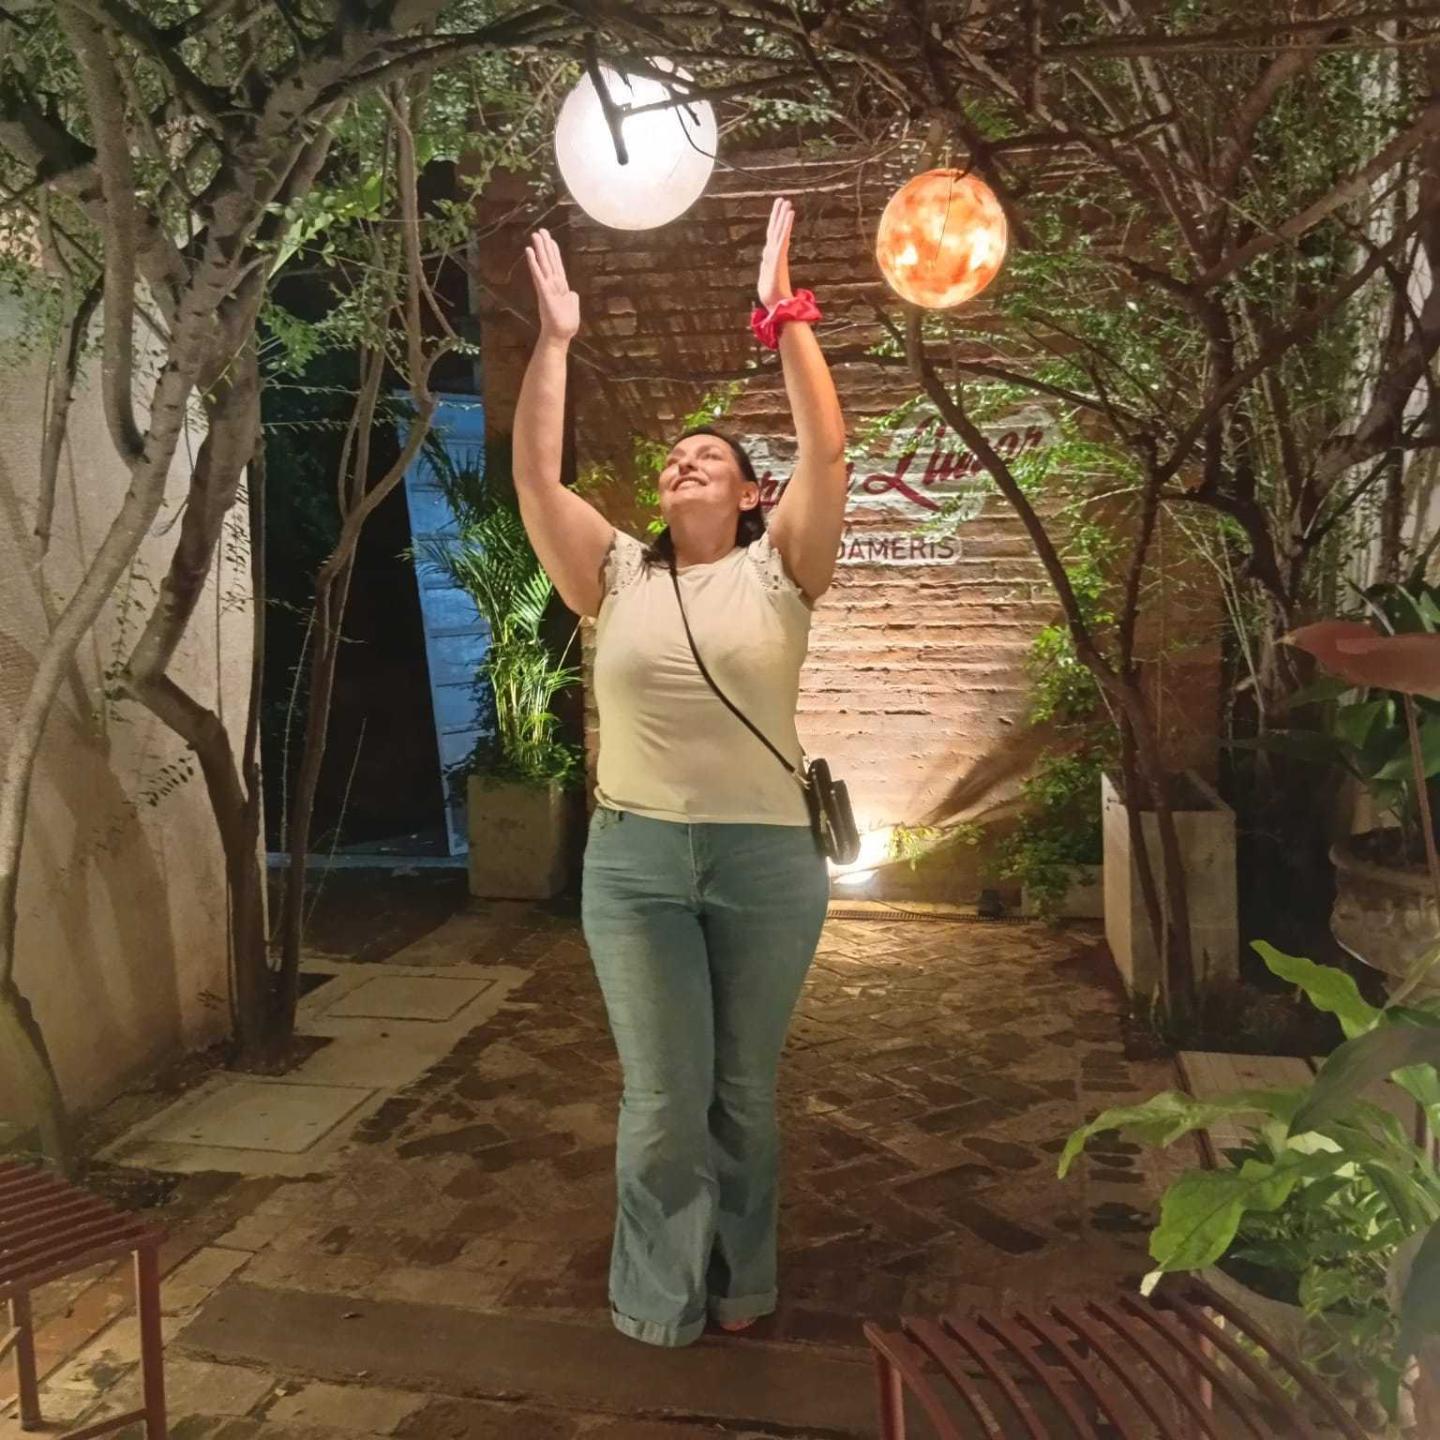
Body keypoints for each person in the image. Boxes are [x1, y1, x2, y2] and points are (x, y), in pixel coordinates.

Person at [513, 198, 847, 1348]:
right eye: (673, 455)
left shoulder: (782, 572)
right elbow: (535, 479)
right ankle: (660, 1295)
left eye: (713, 455)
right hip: (637, 863)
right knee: (663, 1098)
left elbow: (827, 451)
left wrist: (784, 315)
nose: (685, 459)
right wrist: (555, 342)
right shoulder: (615, 576)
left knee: (742, 1094)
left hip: (767, 864)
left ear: (753, 494)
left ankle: (741, 1282)